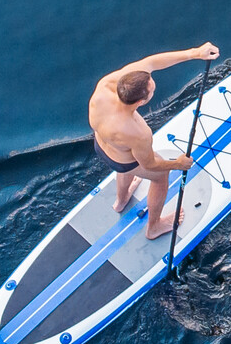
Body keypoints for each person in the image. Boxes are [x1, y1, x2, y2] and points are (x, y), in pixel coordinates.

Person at [90, 43, 219, 239]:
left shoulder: (106, 86)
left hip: (101, 145)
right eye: (151, 88)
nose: (152, 82)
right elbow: (150, 163)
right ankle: (154, 227)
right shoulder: (138, 132)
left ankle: (121, 200)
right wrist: (178, 164)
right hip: (123, 160)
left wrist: (195, 53)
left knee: (127, 164)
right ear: (141, 102)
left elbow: (151, 62)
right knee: (160, 176)